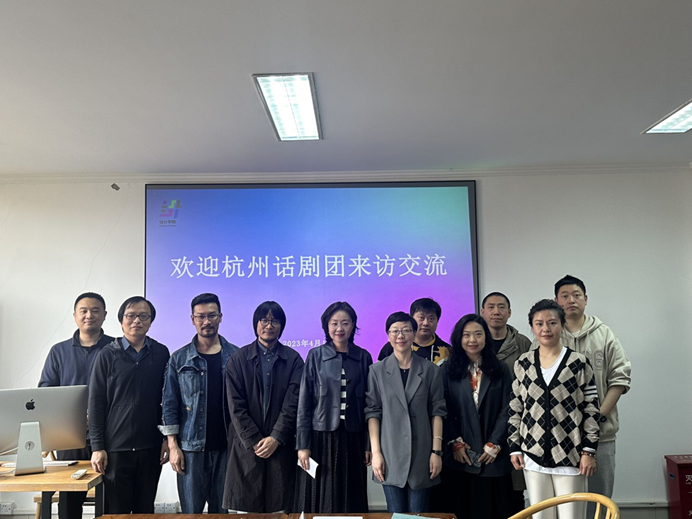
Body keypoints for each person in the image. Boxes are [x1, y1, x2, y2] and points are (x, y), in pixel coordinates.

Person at [508, 299, 600, 519]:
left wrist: (589, 451)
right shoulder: (523, 363)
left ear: (562, 325)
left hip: (571, 454)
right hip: (533, 454)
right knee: (540, 515)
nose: (546, 329)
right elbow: (515, 407)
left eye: (552, 323)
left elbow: (591, 409)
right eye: (539, 324)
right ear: (532, 327)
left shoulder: (578, 363)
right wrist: (514, 447)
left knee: (572, 516)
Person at [554, 275, 631, 515]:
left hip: (601, 434)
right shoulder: (550, 334)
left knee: (600, 498)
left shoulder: (604, 334)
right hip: (561, 436)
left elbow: (620, 378)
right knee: (565, 503)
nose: (571, 300)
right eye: (565, 296)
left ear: (585, 299)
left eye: (576, 295)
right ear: (556, 301)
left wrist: (598, 417)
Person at [88, 296, 170, 514]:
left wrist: (166, 439)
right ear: (121, 320)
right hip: (116, 447)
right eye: (131, 315)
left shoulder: (161, 353)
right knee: (116, 511)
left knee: (145, 510)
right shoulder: (106, 355)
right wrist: (97, 447)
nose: (137, 321)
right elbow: (95, 403)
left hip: (150, 446)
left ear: (150, 321)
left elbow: (168, 399)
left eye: (144, 316)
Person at [160, 293, 238, 514]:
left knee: (221, 513)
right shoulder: (179, 359)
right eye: (200, 316)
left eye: (212, 315)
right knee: (191, 512)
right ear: (192, 319)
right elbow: (169, 404)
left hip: (226, 448)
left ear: (220, 317)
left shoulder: (236, 356)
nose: (206, 321)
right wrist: (173, 446)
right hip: (190, 449)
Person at [223, 301, 304, 513]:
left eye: (275, 321)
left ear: (282, 326)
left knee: (280, 510)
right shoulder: (238, 359)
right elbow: (235, 406)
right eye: (264, 320)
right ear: (256, 324)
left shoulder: (294, 360)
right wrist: (255, 440)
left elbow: (293, 403)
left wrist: (276, 437)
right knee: (246, 511)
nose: (269, 325)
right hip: (247, 448)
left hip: (281, 446)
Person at [39, 292, 114, 519]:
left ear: (104, 315)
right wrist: (74, 419)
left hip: (109, 436)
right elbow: (46, 393)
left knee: (110, 502)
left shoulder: (116, 348)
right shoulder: (59, 351)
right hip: (71, 437)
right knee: (69, 503)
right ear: (75, 316)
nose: (89, 315)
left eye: (95, 311)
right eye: (84, 311)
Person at [295, 302, 373, 513]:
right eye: (334, 323)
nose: (340, 328)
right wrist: (303, 445)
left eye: (345, 323)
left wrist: (368, 444)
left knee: (352, 495)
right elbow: (304, 403)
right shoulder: (315, 356)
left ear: (353, 325)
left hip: (353, 437)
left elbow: (370, 404)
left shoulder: (363, 357)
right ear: (326, 326)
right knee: (323, 495)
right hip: (321, 437)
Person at [366, 311, 446, 513]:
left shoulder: (430, 370)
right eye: (395, 331)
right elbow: (373, 413)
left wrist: (436, 452)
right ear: (388, 335)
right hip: (389, 453)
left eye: (406, 330)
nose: (400, 336)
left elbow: (437, 412)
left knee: (418, 513)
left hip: (422, 453)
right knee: (396, 512)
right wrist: (376, 453)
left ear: (414, 334)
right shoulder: (377, 371)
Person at [439, 314, 514, 519]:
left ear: (486, 337)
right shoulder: (447, 370)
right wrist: (456, 442)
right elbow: (443, 409)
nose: (472, 340)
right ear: (459, 338)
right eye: (466, 335)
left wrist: (495, 442)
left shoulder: (500, 369)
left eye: (478, 334)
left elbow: (508, 407)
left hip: (494, 456)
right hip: (462, 455)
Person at [479, 291, 531, 510]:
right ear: (482, 312)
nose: (496, 312)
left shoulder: (523, 343)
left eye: (501, 307)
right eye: (491, 307)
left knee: (513, 490)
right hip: (481, 423)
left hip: (515, 423)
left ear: (509, 312)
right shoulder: (475, 342)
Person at [378, 298, 450, 365]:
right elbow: (379, 371)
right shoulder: (393, 346)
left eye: (431, 319)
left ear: (437, 321)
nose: (426, 323)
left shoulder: (447, 351)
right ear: (412, 320)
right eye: (421, 318)